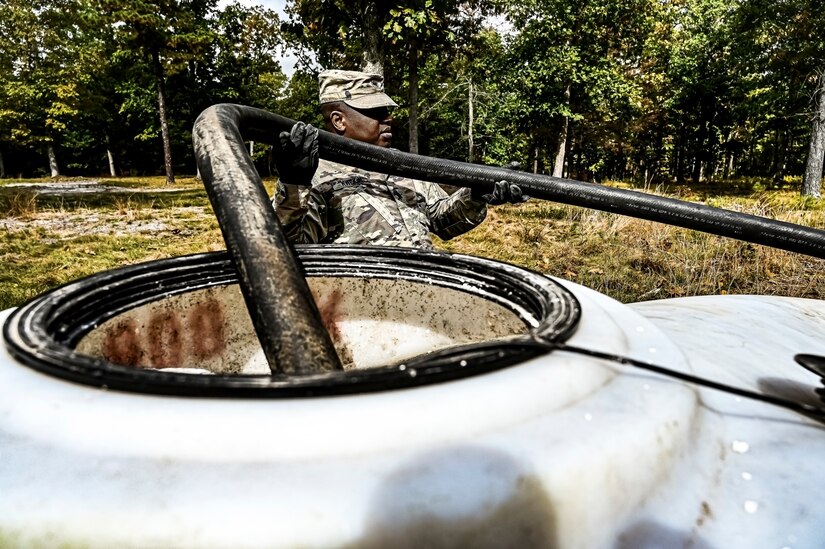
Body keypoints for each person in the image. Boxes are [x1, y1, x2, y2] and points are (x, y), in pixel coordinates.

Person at [272, 69, 527, 249]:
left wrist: (476, 194)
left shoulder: (402, 164)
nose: (388, 118)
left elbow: (441, 218)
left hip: (424, 295)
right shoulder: (313, 175)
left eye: (387, 110)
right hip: (362, 310)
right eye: (375, 111)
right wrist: (294, 185)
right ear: (339, 120)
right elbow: (291, 248)